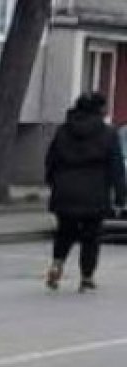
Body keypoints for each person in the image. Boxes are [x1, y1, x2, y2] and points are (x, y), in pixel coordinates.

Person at [43, 92, 126, 293]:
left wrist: (53, 183)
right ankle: (86, 277)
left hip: (65, 190)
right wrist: (120, 195)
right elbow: (116, 167)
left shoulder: (63, 131)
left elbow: (51, 161)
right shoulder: (108, 134)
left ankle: (57, 263)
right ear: (99, 109)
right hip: (94, 192)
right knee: (91, 236)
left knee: (65, 231)